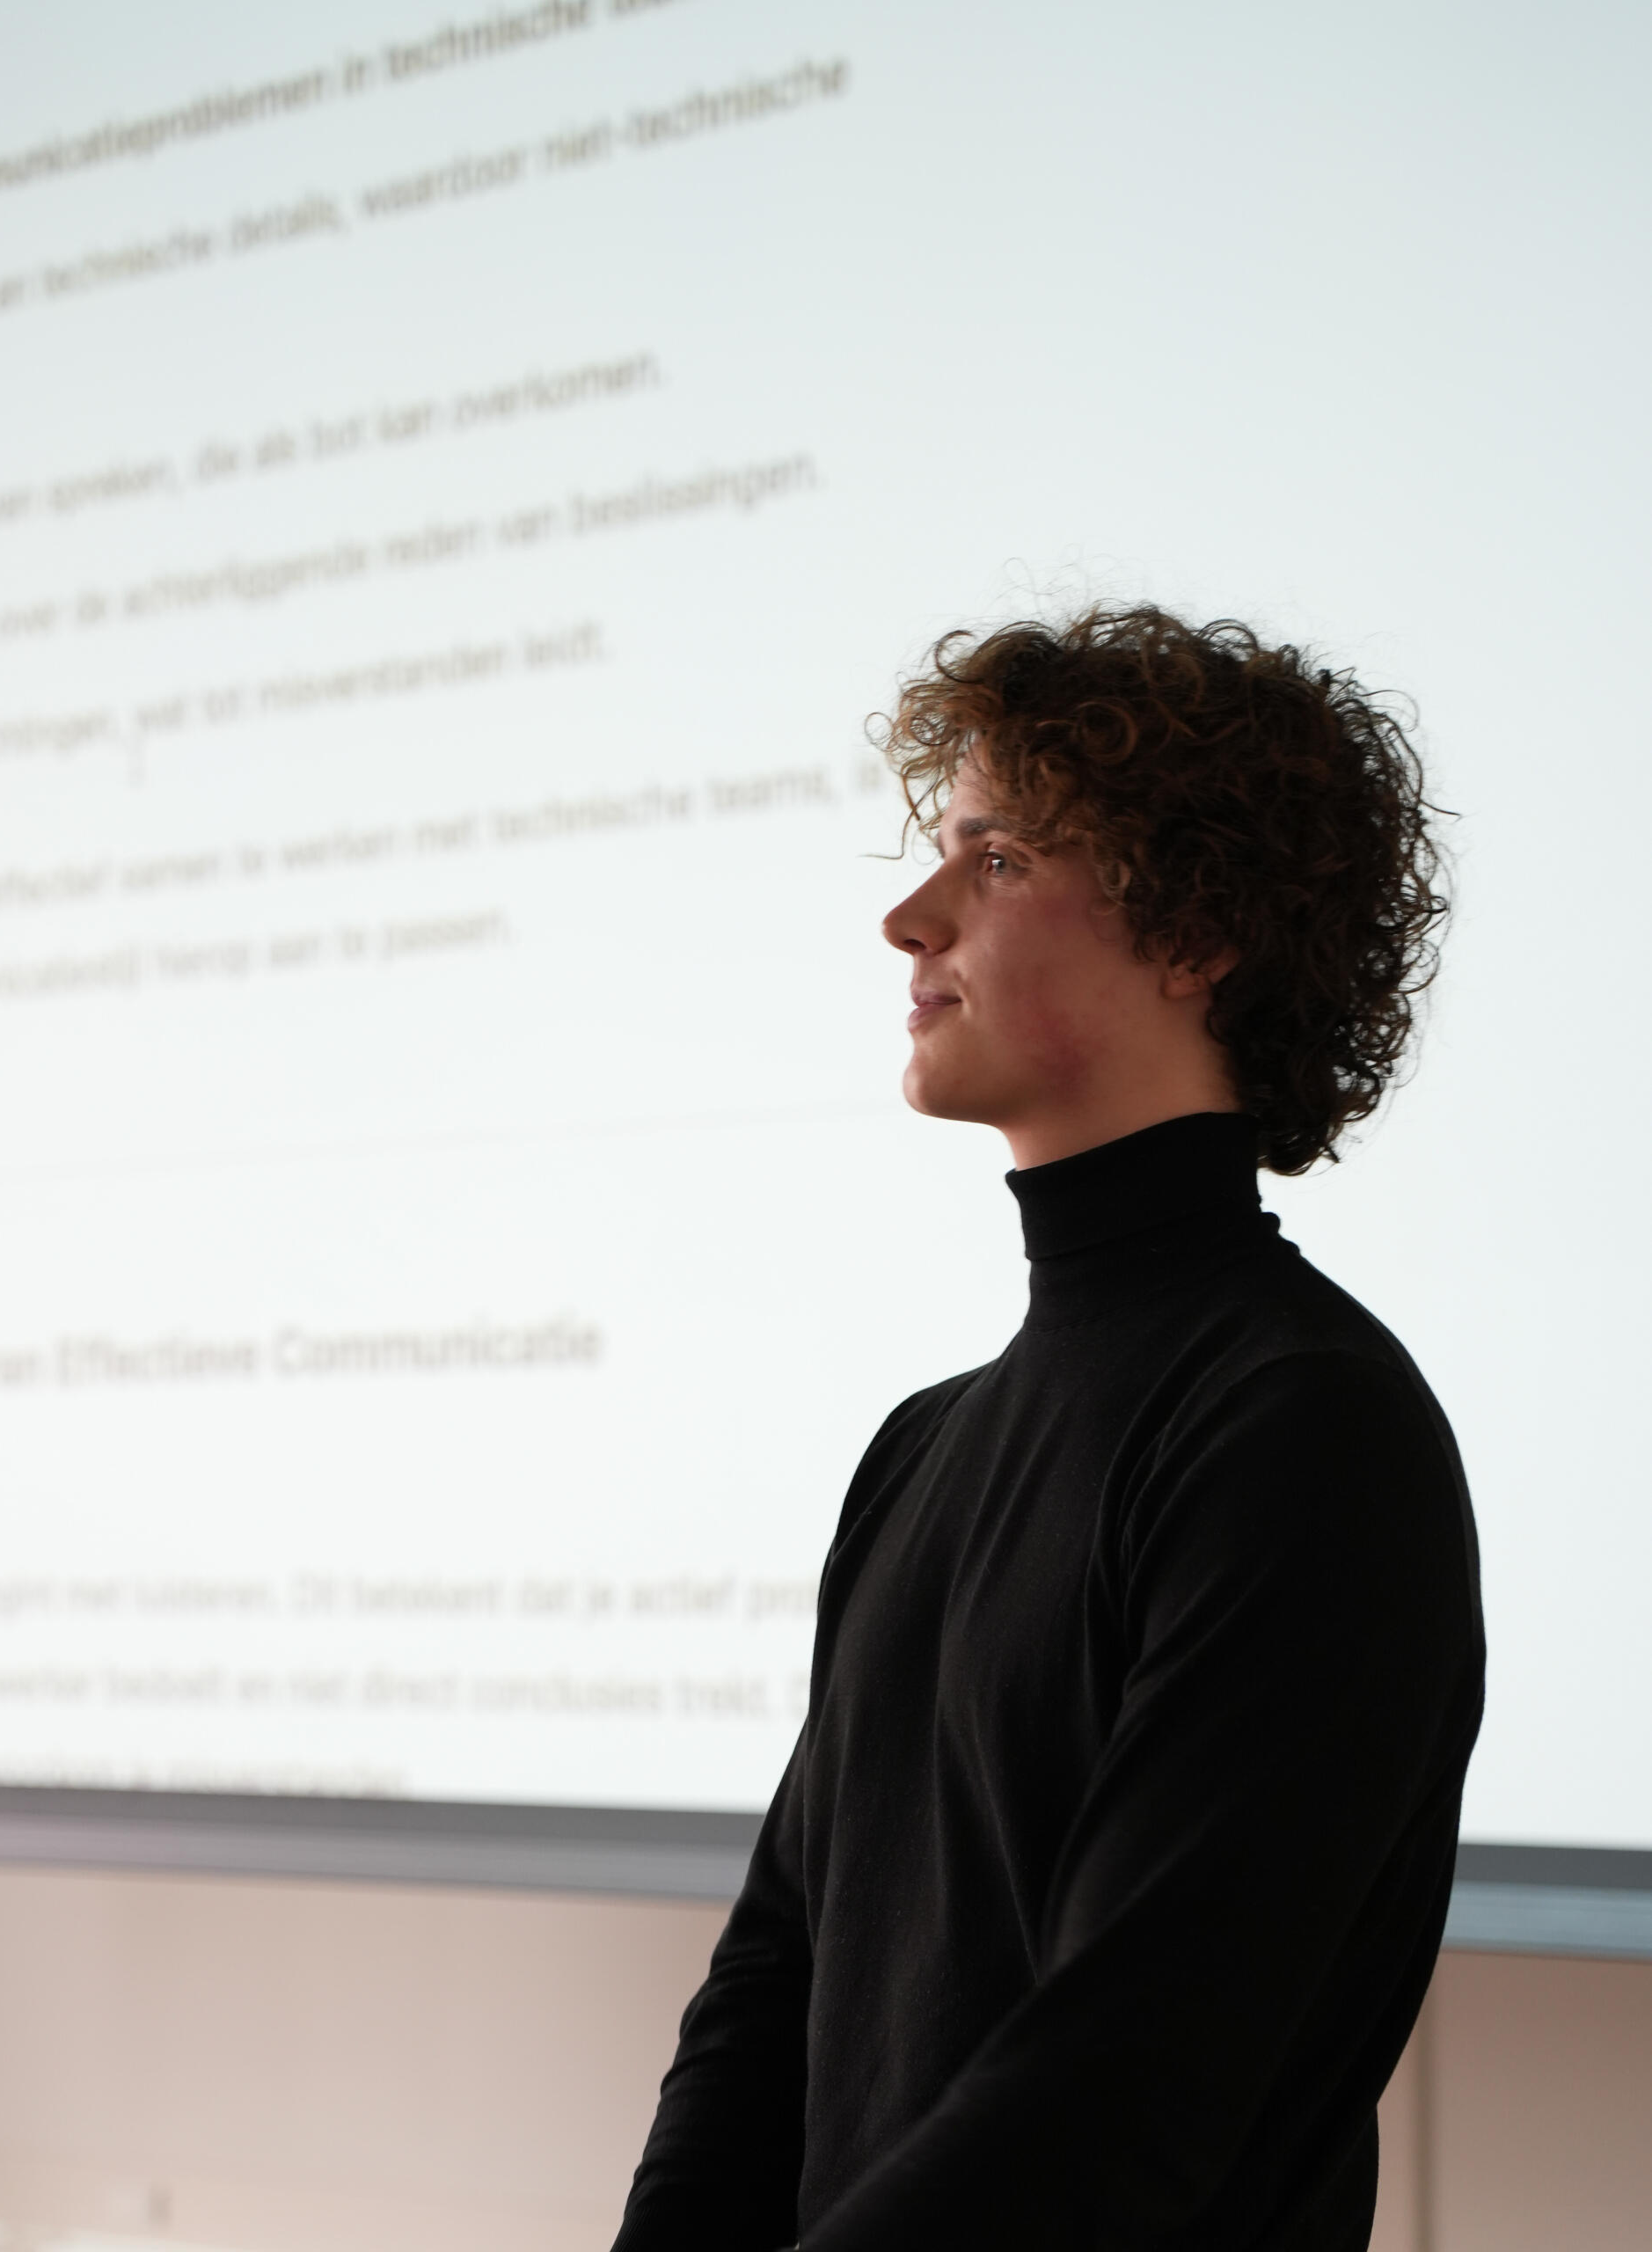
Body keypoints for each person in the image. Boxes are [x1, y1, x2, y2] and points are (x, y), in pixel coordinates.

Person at [610, 604, 1485, 2251]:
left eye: (996, 858)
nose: (907, 916)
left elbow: (1123, 2087)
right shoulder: (920, 1450)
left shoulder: (1305, 1429)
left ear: (1199, 930)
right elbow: (772, 1985)